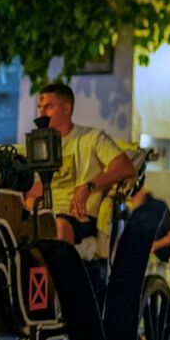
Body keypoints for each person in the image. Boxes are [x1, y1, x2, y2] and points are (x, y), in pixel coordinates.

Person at [27, 83, 137, 244]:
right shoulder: (39, 145)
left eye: (48, 106)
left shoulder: (92, 138)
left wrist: (88, 187)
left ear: (67, 108)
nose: (42, 112)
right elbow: (34, 192)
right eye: (40, 107)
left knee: (60, 227)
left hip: (78, 217)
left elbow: (125, 168)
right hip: (46, 215)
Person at [126, 188, 170, 261]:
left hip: (162, 261)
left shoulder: (158, 207)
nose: (132, 197)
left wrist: (154, 245)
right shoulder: (128, 210)